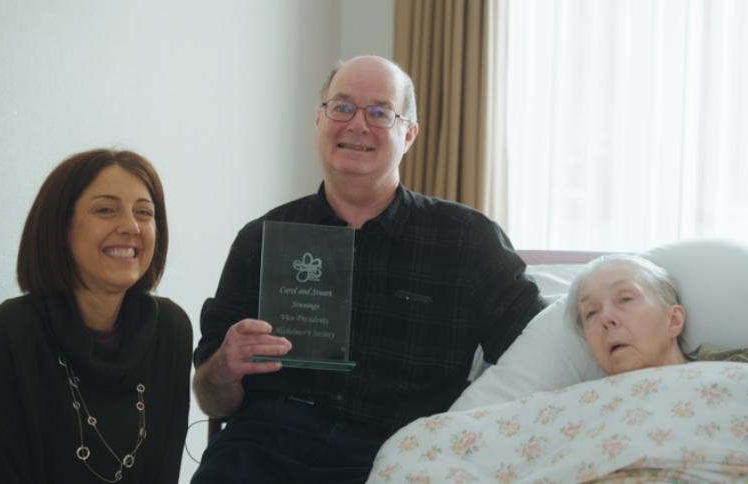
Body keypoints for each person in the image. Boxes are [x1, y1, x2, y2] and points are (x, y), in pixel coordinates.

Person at [190, 55, 545, 483]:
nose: (357, 125)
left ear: (409, 134)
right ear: (319, 120)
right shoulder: (262, 239)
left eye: (379, 112)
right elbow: (212, 400)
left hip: (400, 455)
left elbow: (542, 345)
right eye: (341, 107)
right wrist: (224, 367)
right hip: (265, 446)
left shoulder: (468, 240)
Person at [0, 149, 193, 484]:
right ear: (60, 228)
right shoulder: (11, 331)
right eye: (105, 210)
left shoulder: (171, 330)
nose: (131, 226)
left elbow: (162, 471)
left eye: (144, 212)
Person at [567, 254, 748, 375]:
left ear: (673, 320)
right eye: (591, 313)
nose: (605, 317)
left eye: (625, 299)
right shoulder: (572, 409)